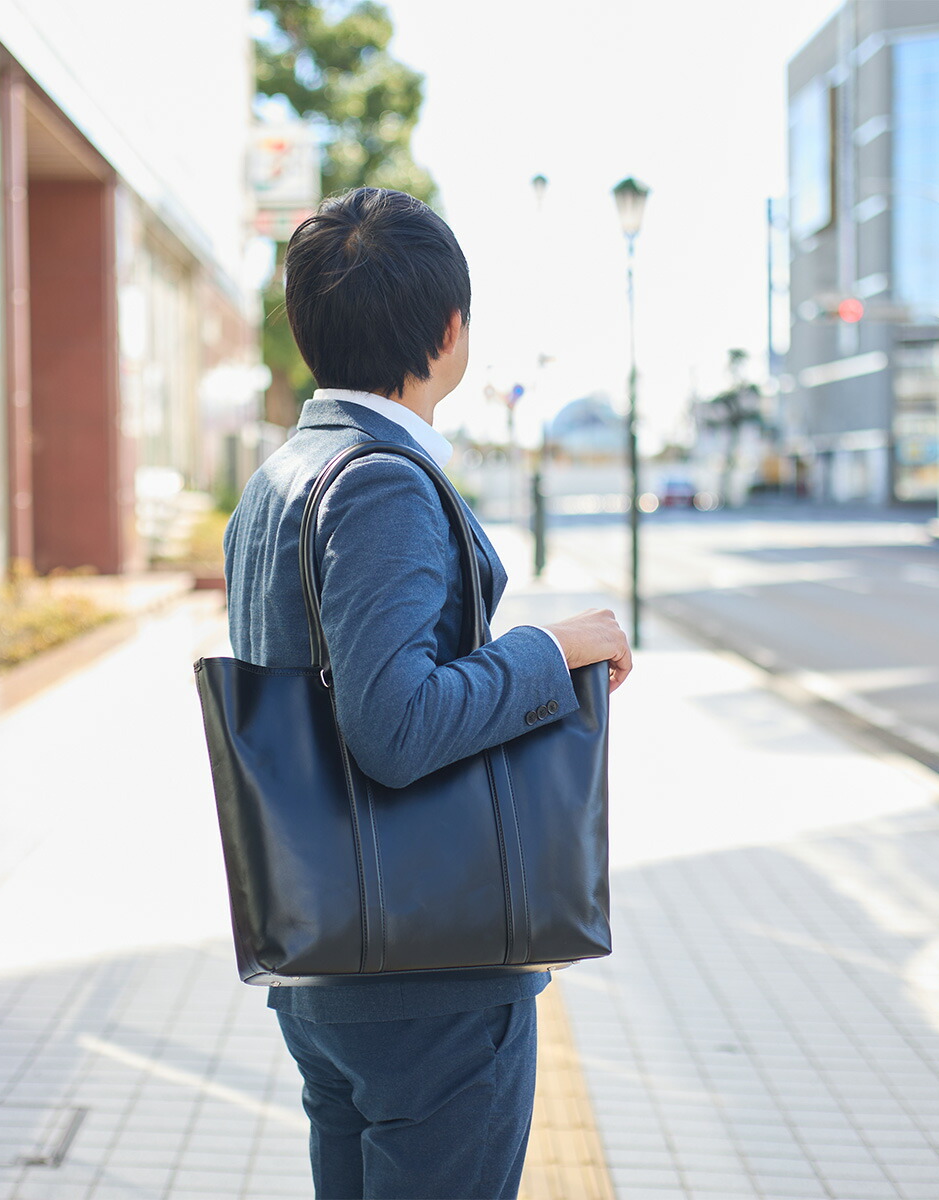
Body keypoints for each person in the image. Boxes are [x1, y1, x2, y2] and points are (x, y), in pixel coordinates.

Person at [222, 187, 631, 1200]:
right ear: (450, 332)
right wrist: (551, 648)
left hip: (328, 952)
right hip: (428, 975)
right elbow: (393, 724)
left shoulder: (280, 480)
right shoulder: (380, 481)